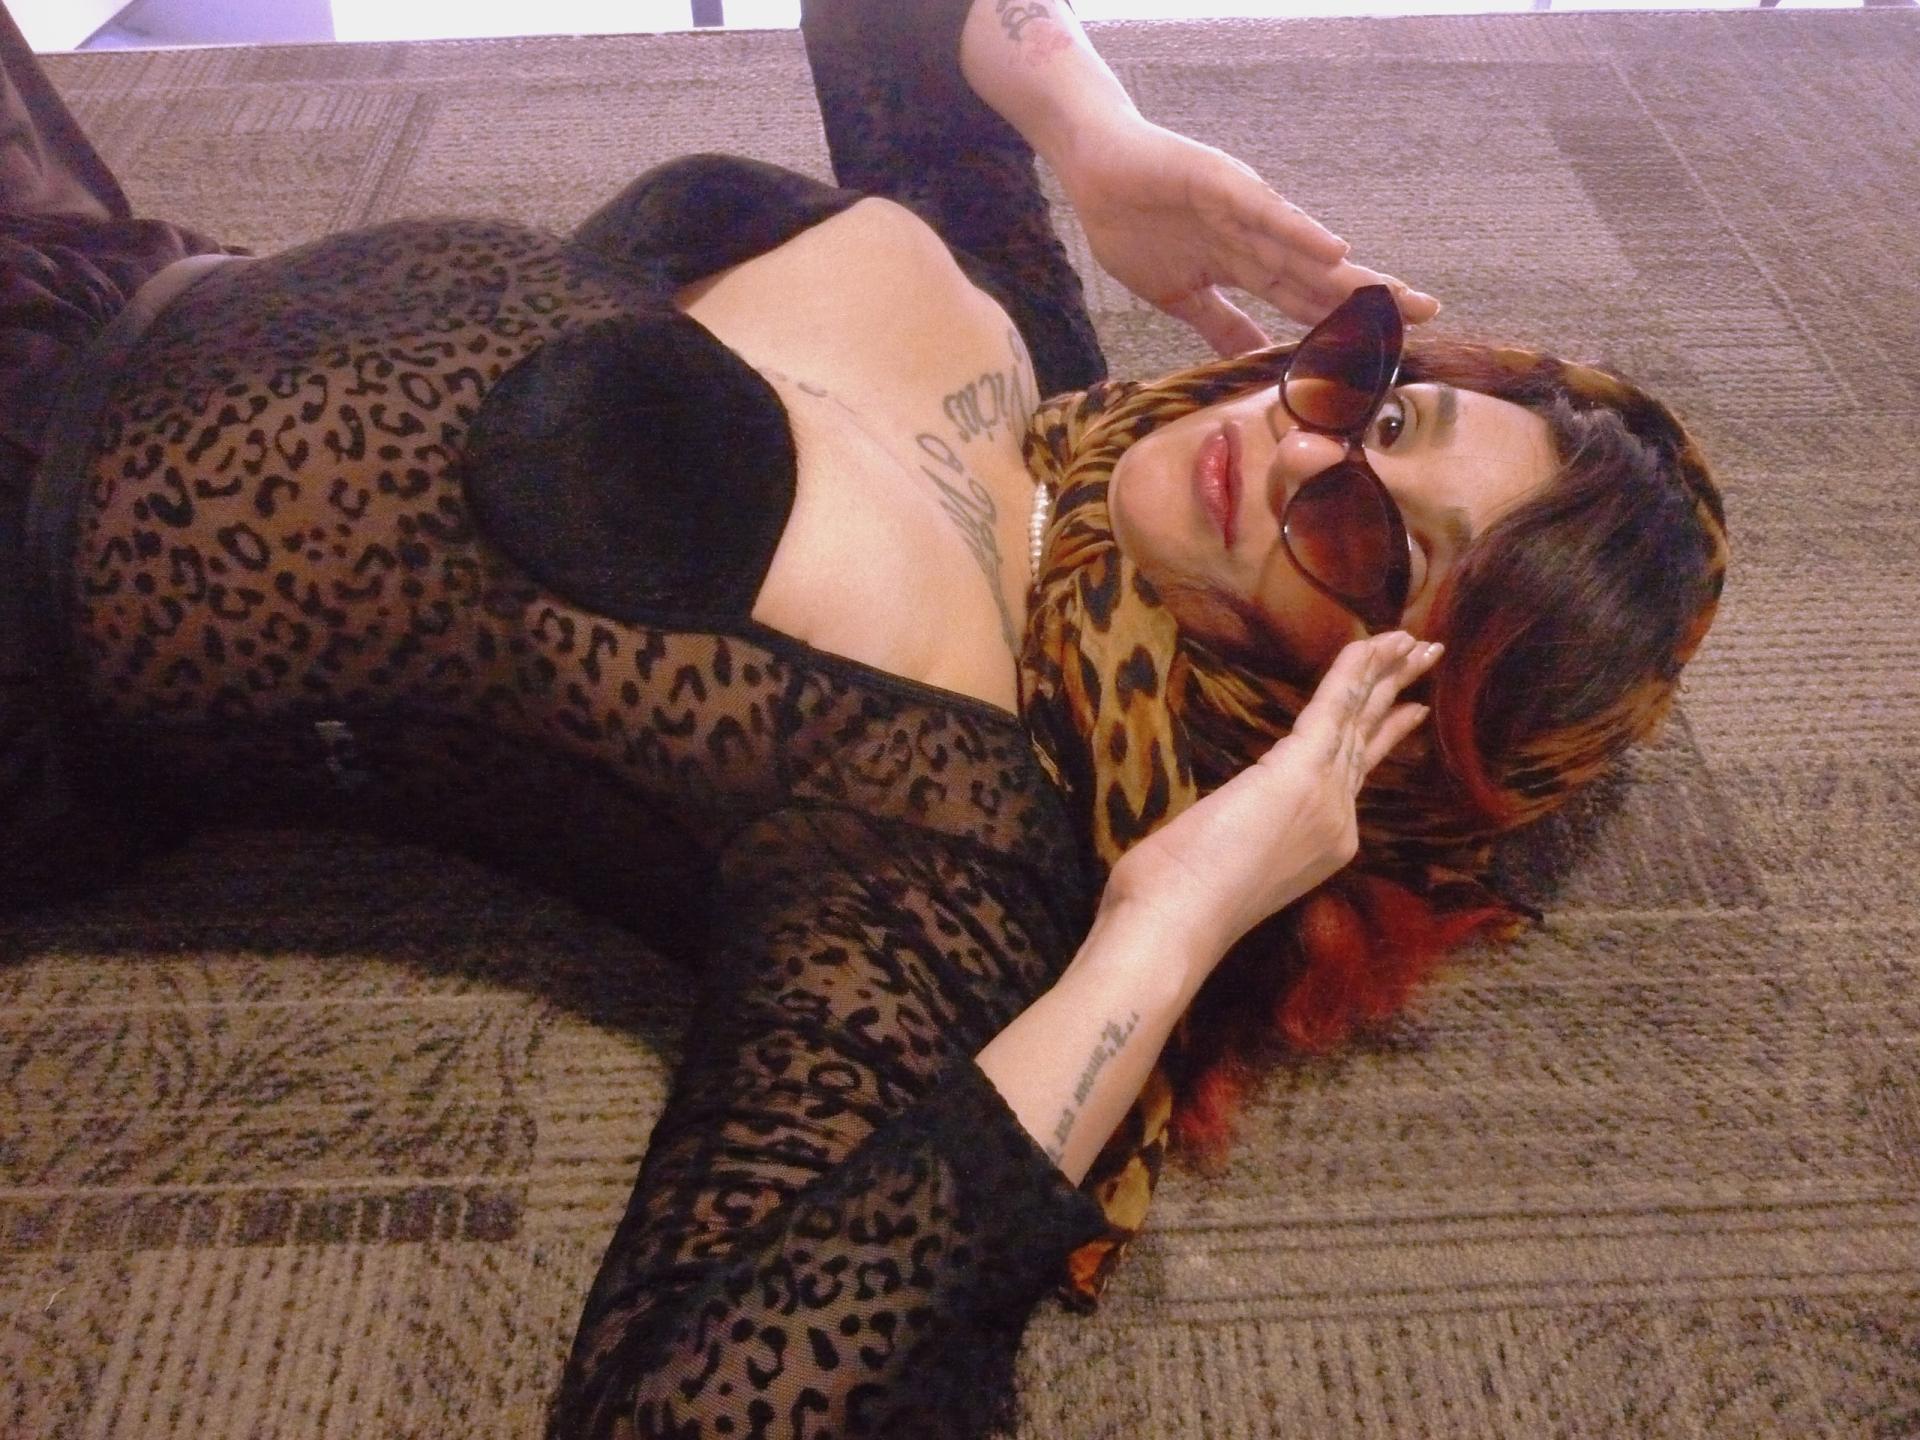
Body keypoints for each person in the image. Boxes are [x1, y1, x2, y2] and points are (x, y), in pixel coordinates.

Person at [1, 0, 1727, 1436]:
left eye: (1367, 542)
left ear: (1363, 716)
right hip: (88, 263)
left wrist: (1166, 930)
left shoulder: (939, 817)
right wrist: (1094, 131)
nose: (1297, 447)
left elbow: (693, 1398)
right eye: (1384, 404)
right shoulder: (1052, 381)